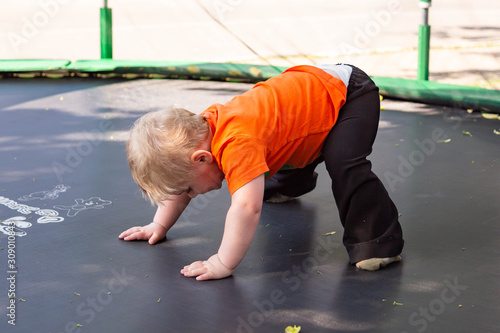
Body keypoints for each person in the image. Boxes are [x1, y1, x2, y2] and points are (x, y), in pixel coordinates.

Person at [119, 64, 404, 281]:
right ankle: (290, 182)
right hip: (308, 108)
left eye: (189, 190)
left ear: (202, 158)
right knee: (281, 145)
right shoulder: (200, 132)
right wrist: (159, 225)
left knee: (343, 160)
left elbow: (246, 207)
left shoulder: (237, 143)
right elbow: (179, 186)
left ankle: (378, 240)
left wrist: (223, 262)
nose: (191, 195)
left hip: (349, 94)